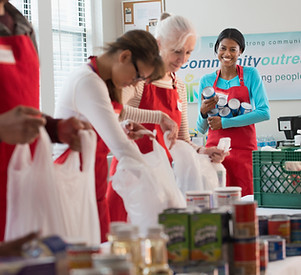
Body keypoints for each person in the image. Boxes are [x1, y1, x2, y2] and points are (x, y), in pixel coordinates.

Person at [106, 13, 229, 222]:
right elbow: (115, 110)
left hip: (164, 180)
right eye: (177, 52)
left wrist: (203, 151)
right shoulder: (139, 79)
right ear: (159, 44)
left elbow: (182, 139)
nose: (183, 60)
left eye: (189, 52)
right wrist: (158, 117)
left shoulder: (178, 85)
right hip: (133, 178)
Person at [53, 29, 165, 243]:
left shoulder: (102, 82)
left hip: (91, 180)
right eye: (137, 76)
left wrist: (121, 127)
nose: (134, 83)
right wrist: (156, 186)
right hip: (74, 183)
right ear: (124, 56)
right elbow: (121, 147)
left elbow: (99, 127)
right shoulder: (88, 81)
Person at [197, 28, 270, 196]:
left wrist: (224, 122)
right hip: (215, 153)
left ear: (240, 52)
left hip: (244, 151)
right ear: (216, 49)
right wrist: (202, 112)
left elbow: (264, 112)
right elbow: (201, 128)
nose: (227, 54)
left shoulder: (251, 74)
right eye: (223, 48)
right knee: (217, 200)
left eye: (233, 49)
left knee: (246, 201)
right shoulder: (206, 81)